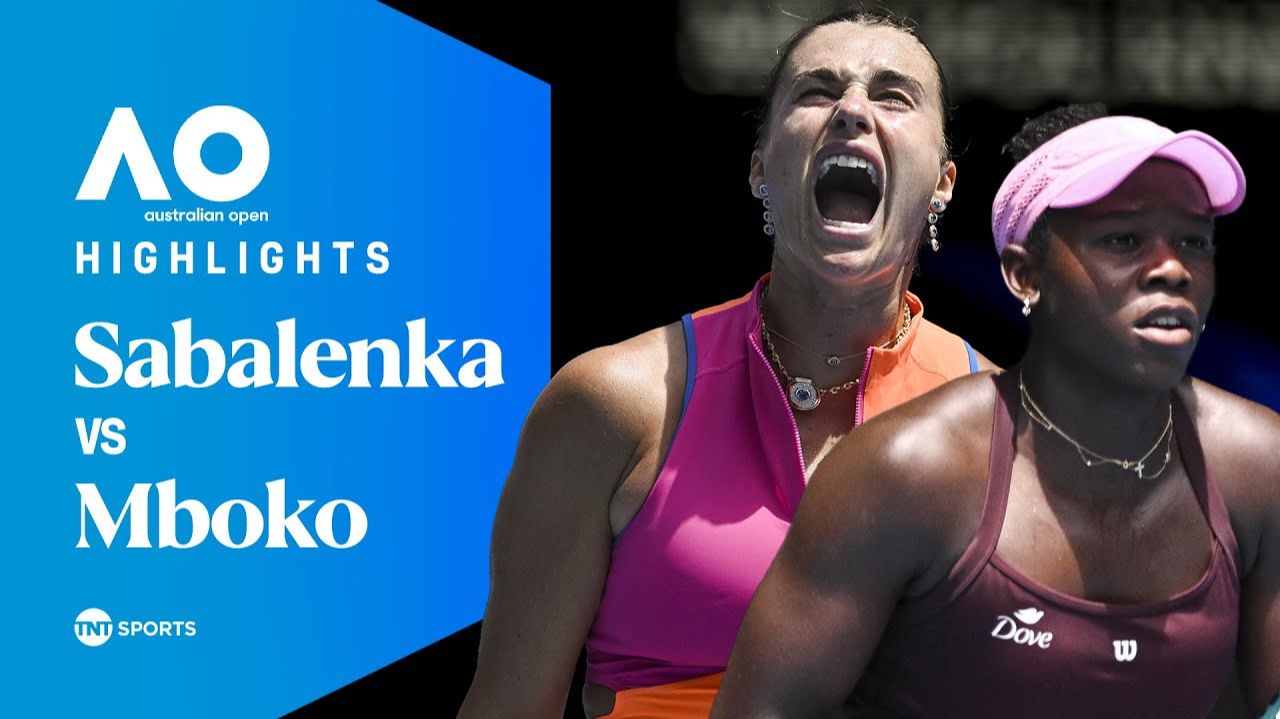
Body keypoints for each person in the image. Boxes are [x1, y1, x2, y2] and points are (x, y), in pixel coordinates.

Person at [458, 9, 995, 719]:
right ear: (760, 169)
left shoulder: (1011, 433)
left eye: (894, 97)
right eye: (816, 91)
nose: (852, 111)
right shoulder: (612, 401)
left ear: (943, 183)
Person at [710, 104, 1280, 718]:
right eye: (1123, 239)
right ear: (1024, 275)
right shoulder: (905, 470)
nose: (1172, 269)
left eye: (1194, 241)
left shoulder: (1260, 468)